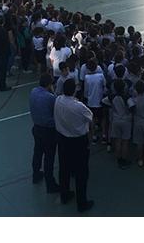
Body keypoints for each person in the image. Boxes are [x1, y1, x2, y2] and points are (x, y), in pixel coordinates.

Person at [55, 78, 95, 213]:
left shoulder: (58, 100)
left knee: (64, 168)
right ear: (74, 90)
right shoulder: (79, 106)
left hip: (63, 139)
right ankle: (81, 202)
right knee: (81, 172)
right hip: (78, 141)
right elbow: (91, 118)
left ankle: (64, 194)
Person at [30, 74, 60, 192]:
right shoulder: (50, 97)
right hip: (48, 131)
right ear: (49, 85)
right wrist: (53, 92)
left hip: (37, 128)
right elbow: (56, 110)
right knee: (49, 157)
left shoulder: (33, 91)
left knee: (37, 152)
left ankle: (36, 174)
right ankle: (50, 184)